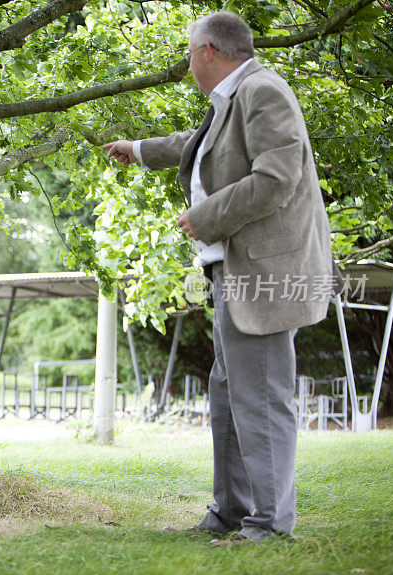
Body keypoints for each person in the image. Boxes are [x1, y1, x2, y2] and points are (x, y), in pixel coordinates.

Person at [103, 12, 336, 546]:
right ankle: (231, 510)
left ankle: (271, 523)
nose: (187, 64)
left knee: (260, 395)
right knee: (229, 391)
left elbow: (277, 178)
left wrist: (205, 217)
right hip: (235, 270)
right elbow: (199, 145)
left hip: (266, 274)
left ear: (208, 50)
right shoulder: (235, 98)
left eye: (188, 53)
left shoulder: (263, 91)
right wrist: (138, 150)